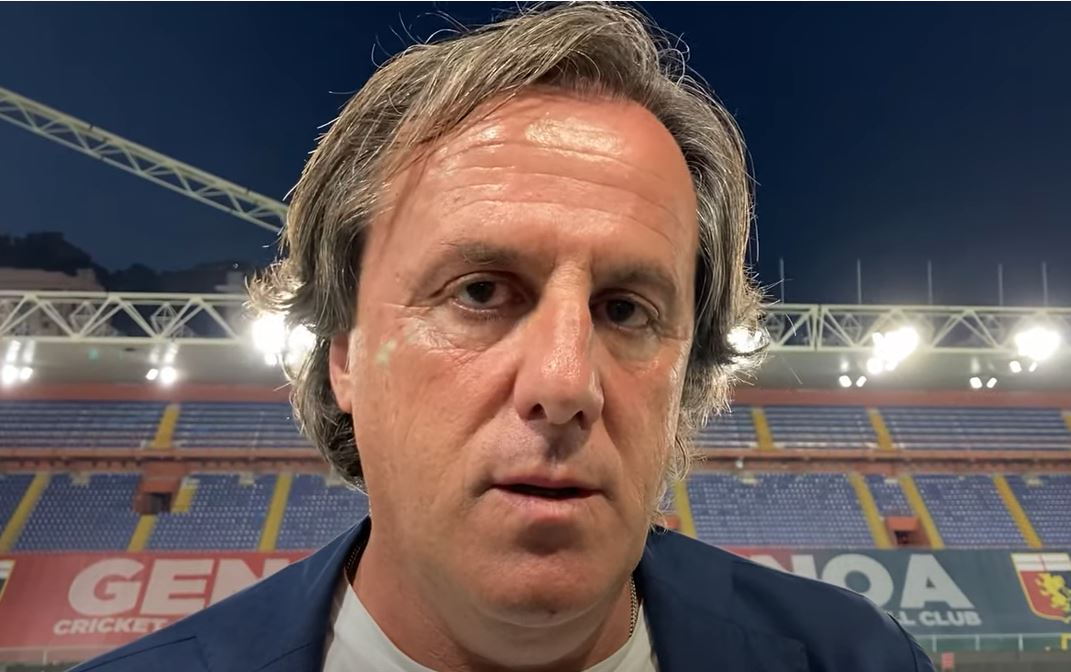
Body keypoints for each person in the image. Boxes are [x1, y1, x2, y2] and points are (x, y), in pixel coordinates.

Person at [73, 3, 935, 671]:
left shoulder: (856, 659)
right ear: (342, 356)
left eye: (624, 309)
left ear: (689, 375)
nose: (563, 383)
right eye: (480, 292)